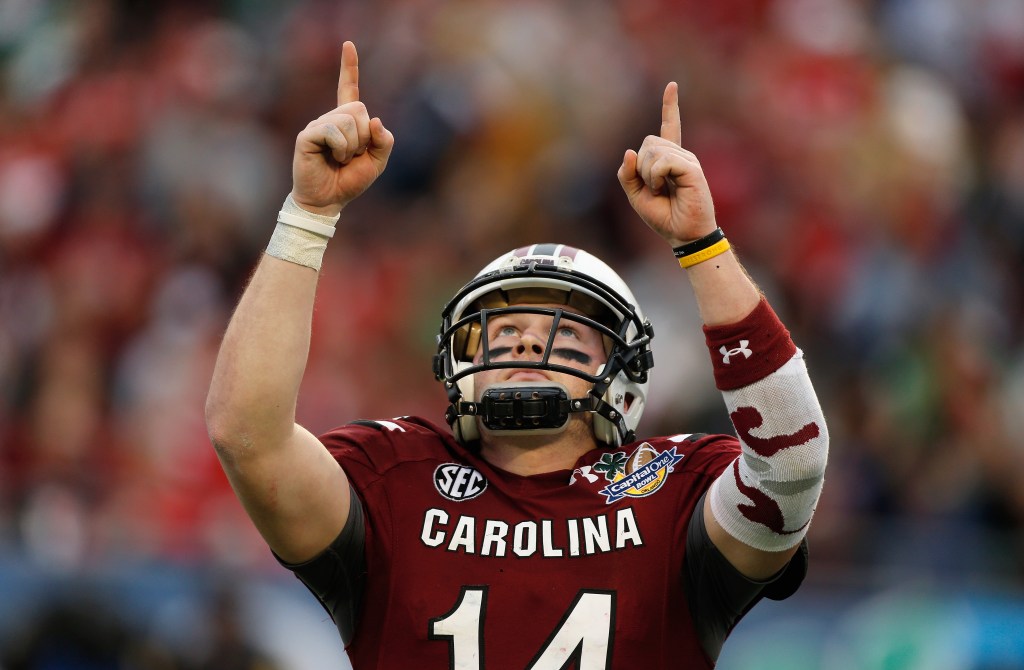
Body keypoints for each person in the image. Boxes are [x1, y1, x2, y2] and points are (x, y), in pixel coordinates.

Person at [205, 41, 829, 669]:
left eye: (563, 331)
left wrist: (701, 243)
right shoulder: (395, 480)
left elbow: (793, 461)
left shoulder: (677, 493)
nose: (527, 340)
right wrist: (309, 214)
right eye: (501, 331)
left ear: (625, 376)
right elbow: (246, 434)